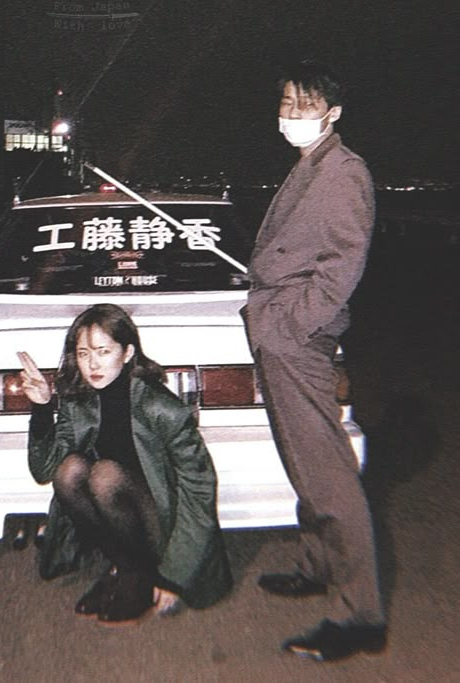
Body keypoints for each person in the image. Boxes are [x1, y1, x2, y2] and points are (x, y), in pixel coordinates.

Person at [241, 59, 386, 661]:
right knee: (303, 463)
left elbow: (339, 273)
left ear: (333, 114)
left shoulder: (345, 172)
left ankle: (360, 617)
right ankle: (317, 566)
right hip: (280, 335)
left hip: (298, 339)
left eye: (305, 107)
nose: (292, 116)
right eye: (287, 104)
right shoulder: (309, 165)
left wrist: (284, 327)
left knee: (328, 474)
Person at [17, 304, 232, 624]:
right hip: (123, 518)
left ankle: (143, 575)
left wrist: (174, 574)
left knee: (104, 475)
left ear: (128, 352)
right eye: (83, 353)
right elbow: (44, 470)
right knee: (69, 471)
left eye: (104, 351)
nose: (93, 364)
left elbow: (199, 489)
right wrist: (42, 409)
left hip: (165, 521)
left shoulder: (162, 408)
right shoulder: (79, 401)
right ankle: (126, 568)